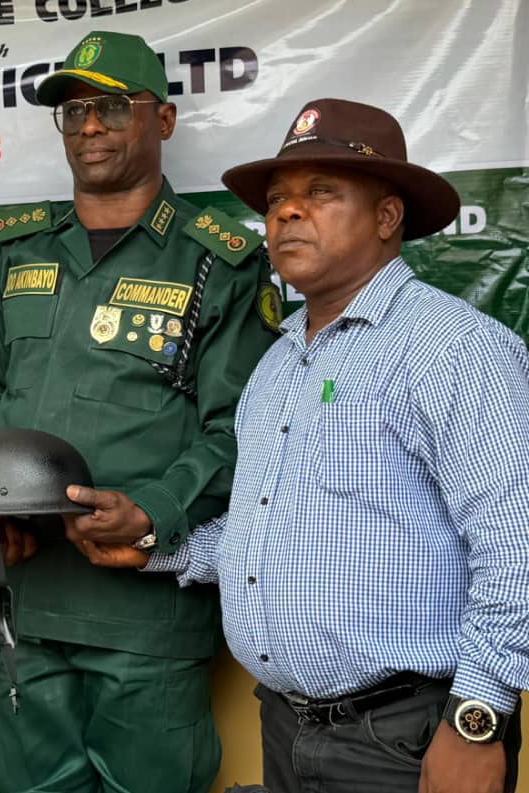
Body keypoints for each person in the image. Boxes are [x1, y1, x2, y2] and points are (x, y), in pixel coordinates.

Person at [133, 98, 528, 793]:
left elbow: (517, 541)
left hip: (404, 735)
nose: (286, 211)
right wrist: (148, 545)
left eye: (320, 192)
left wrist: (478, 718)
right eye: (278, 198)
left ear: (385, 218)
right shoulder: (280, 360)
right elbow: (263, 528)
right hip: (288, 726)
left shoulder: (453, 349)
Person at [0, 31, 279, 793]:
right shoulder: (15, 250)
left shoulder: (216, 261)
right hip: (23, 602)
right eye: (72, 112)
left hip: (146, 611)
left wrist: (157, 510)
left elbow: (242, 427)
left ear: (160, 120)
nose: (89, 126)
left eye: (111, 107)